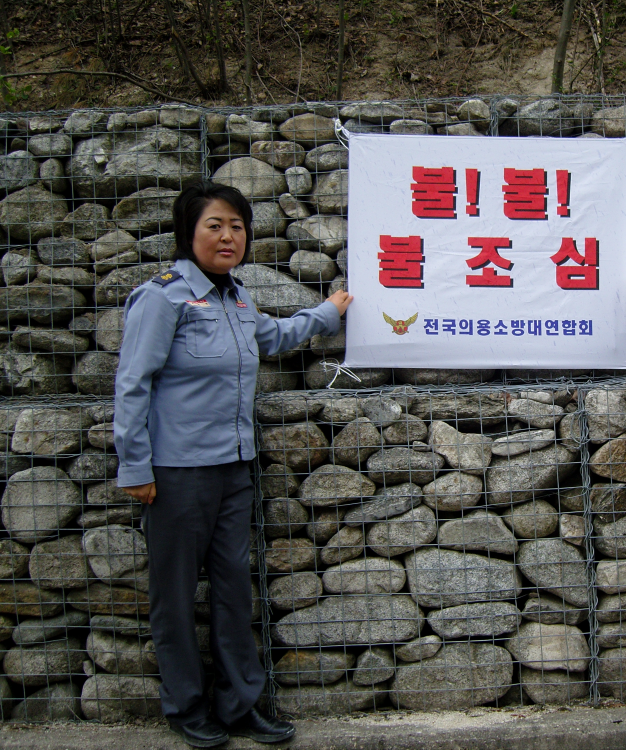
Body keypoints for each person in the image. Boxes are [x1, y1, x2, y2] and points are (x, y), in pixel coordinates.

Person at [114, 181, 353, 748]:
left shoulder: (237, 298)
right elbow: (132, 383)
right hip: (176, 473)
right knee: (175, 594)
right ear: (188, 232)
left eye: (237, 226)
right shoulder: (163, 297)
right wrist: (135, 467)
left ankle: (240, 704)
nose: (228, 236)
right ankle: (186, 707)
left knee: (232, 590)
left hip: (233, 468)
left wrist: (328, 313)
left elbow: (274, 336)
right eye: (215, 225)